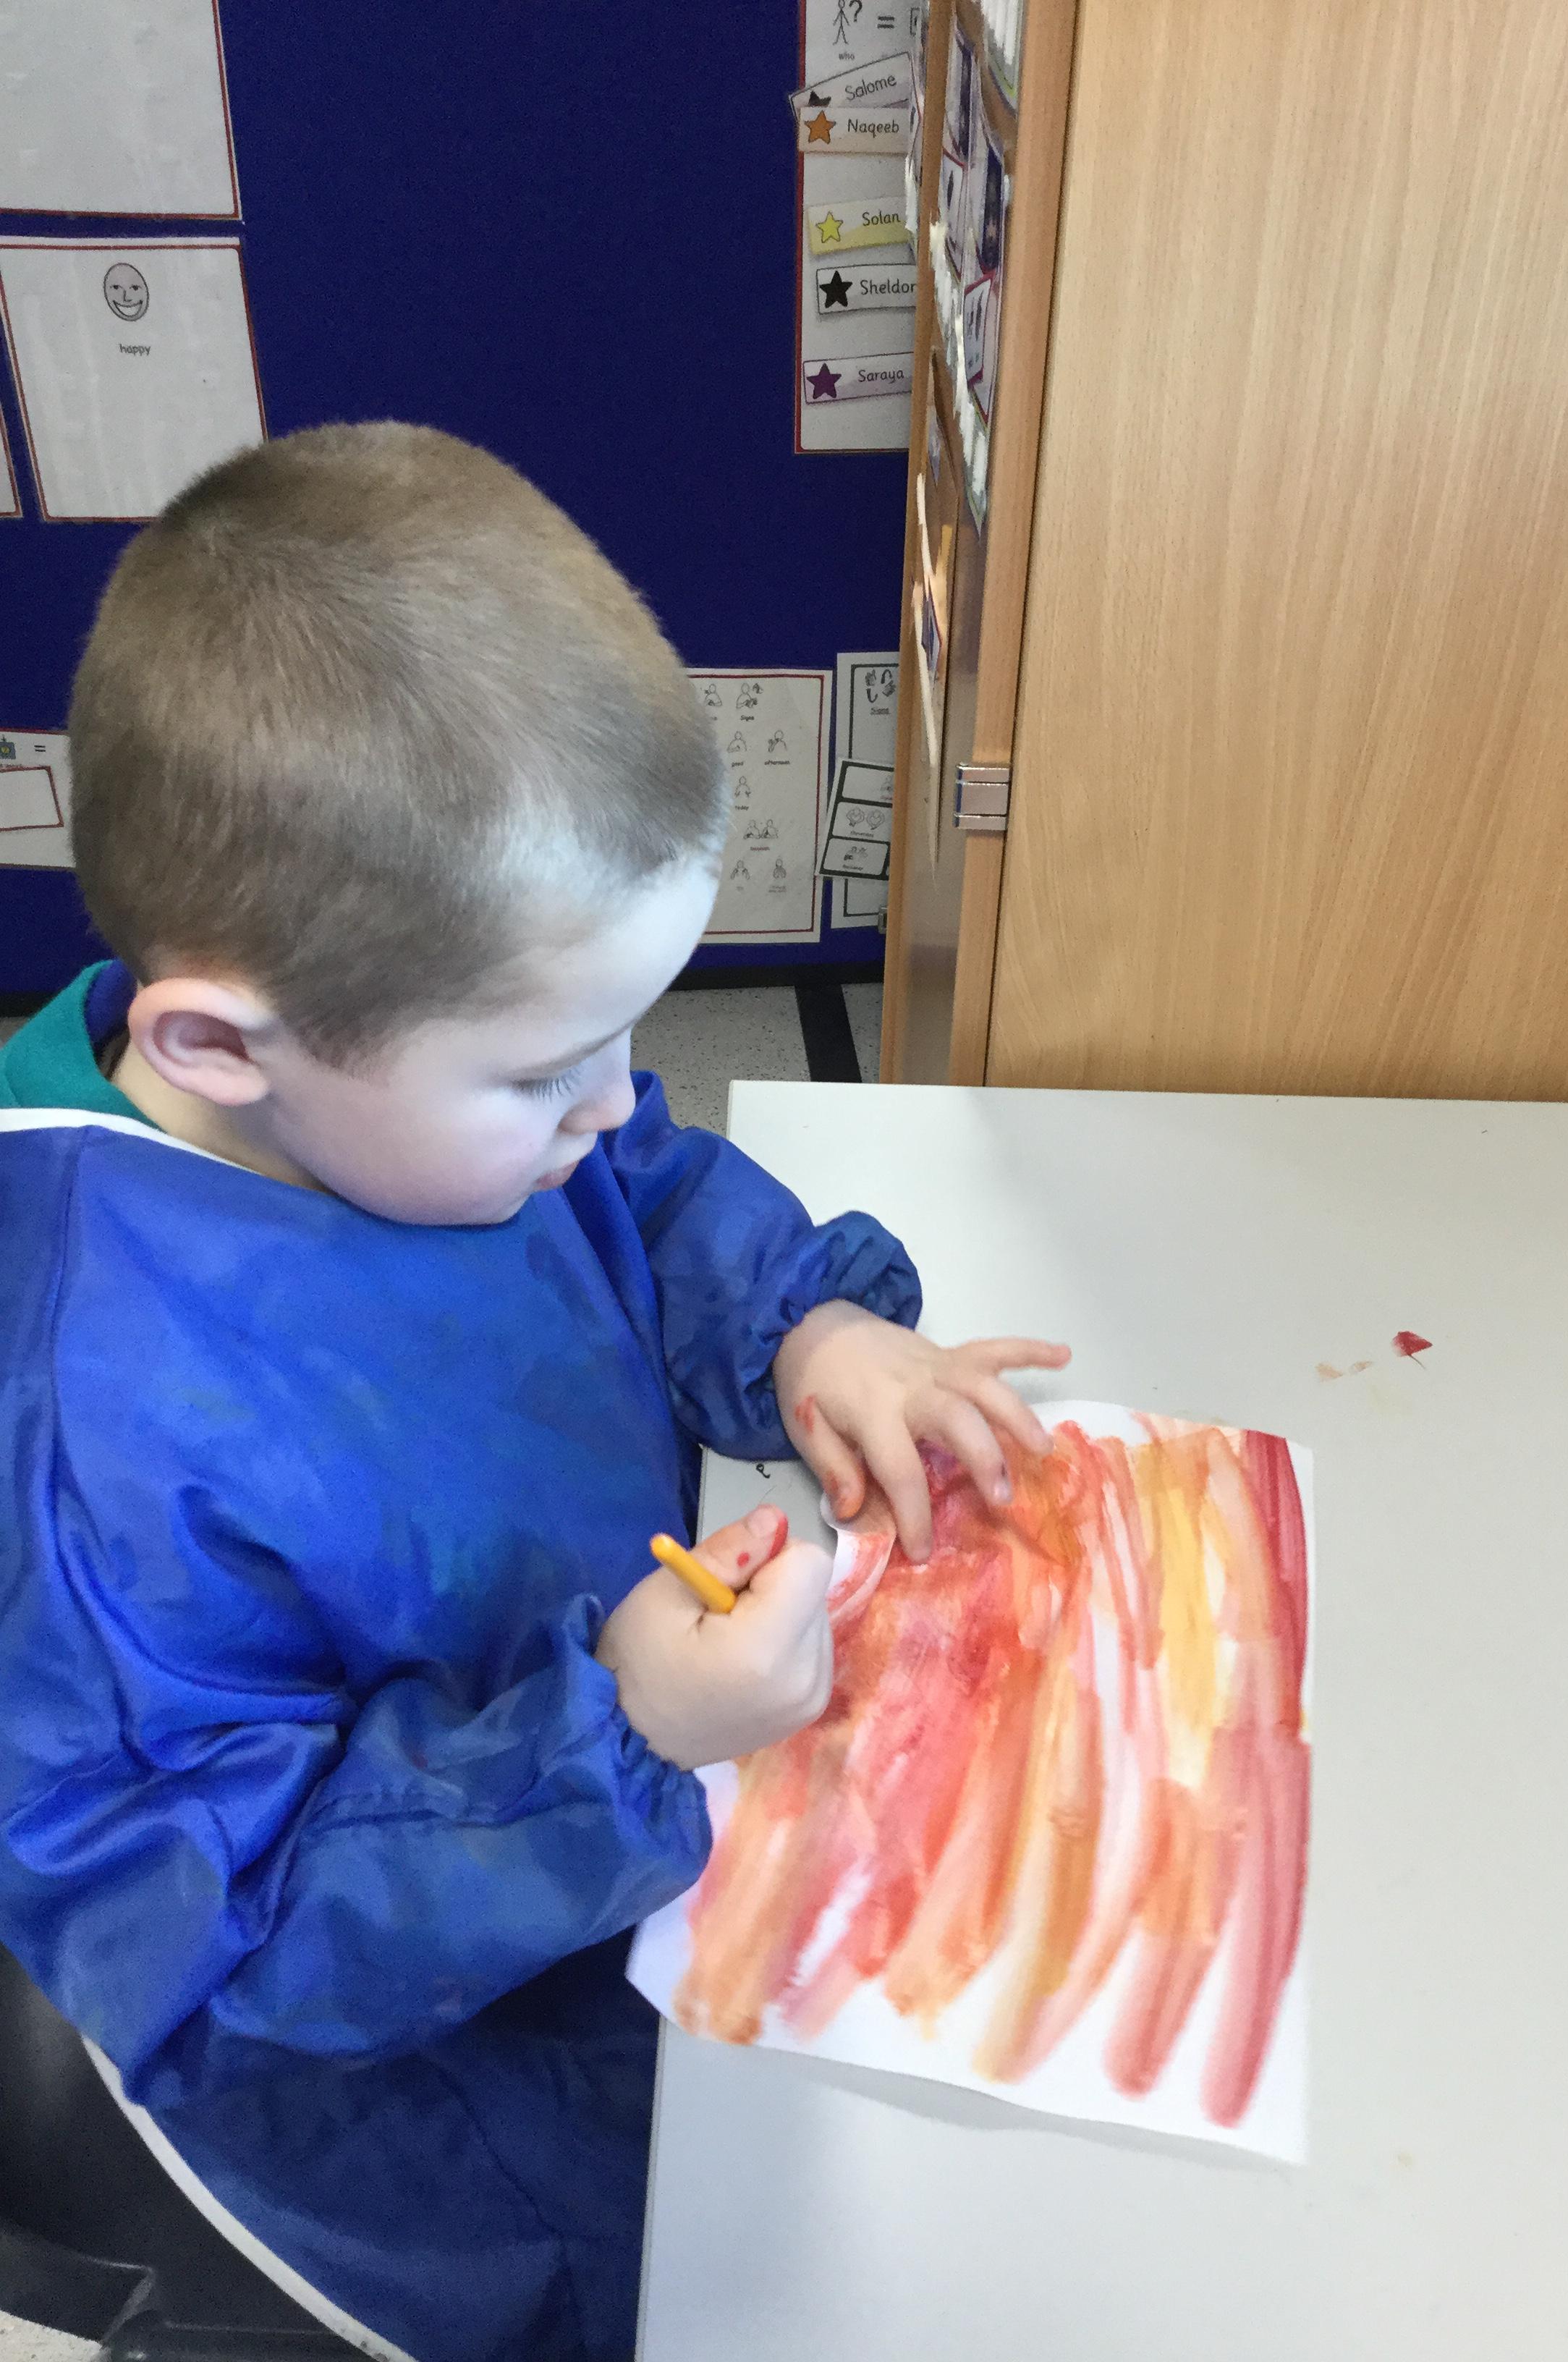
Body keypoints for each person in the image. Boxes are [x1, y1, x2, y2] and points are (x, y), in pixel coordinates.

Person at [0, 424, 1069, 2362]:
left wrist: (806, 1331)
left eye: (629, 1034)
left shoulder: (413, 1088)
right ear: (220, 1044)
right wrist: (622, 1735)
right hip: (388, 2067)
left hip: (596, 1808)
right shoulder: (93, 1453)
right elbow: (229, 1958)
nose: (615, 1098)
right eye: (541, 1071)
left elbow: (636, 1179)